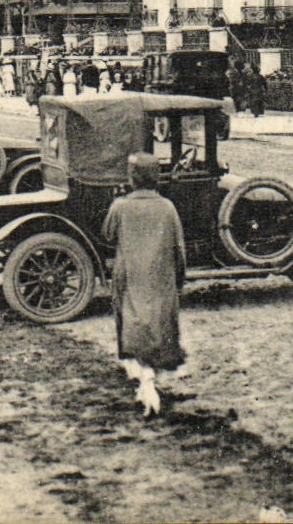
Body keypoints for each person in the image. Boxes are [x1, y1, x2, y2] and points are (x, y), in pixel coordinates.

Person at [101, 152, 187, 419]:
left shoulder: (120, 206)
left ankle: (144, 380)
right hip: (161, 279)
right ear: (156, 177)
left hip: (129, 277)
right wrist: (178, 280)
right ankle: (148, 380)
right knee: (158, 329)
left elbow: (107, 235)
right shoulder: (168, 208)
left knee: (131, 324)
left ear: (131, 178)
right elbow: (179, 249)